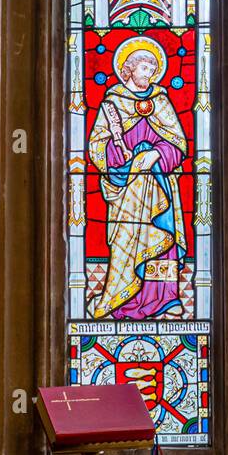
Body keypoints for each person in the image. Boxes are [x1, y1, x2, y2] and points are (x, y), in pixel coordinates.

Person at [88, 37, 188, 320]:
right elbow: (97, 145)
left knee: (161, 239)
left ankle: (165, 301)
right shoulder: (113, 104)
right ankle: (123, 298)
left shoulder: (161, 101)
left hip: (159, 183)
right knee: (127, 239)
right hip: (128, 187)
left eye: (154, 69)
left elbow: (178, 143)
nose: (150, 74)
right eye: (145, 68)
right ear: (128, 69)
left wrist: (156, 154)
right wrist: (119, 156)